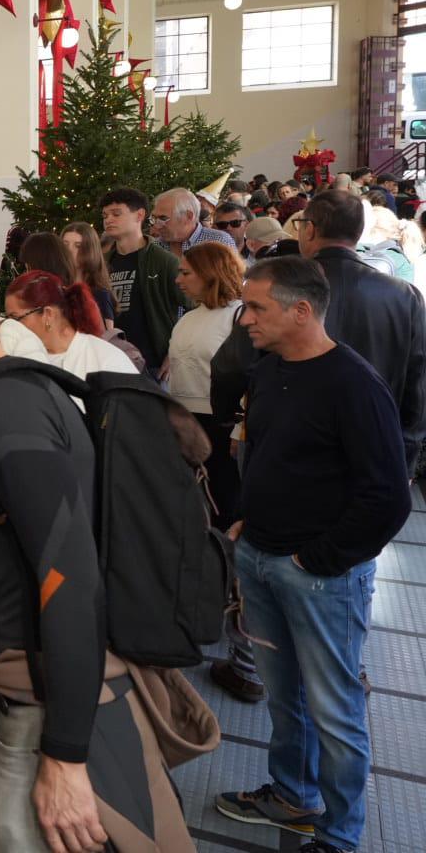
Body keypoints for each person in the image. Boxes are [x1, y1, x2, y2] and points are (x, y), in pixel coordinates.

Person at [0, 243, 191, 853]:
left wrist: (66, 756)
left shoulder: (5, 409)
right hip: (40, 693)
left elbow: (70, 578)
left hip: (47, 709)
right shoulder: (9, 395)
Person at [215, 258, 412, 853]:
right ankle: (292, 794)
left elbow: (388, 497)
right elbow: (266, 452)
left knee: (334, 710)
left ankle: (340, 835)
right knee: (284, 696)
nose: (244, 319)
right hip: (262, 557)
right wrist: (249, 521)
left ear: (301, 311)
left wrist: (319, 558)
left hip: (320, 578)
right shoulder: (269, 371)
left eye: (256, 308)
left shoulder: (354, 385)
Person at [297, 189, 426, 469]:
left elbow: (238, 364)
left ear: (310, 229)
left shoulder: (281, 288)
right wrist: (406, 455)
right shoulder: (404, 296)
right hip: (378, 445)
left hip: (297, 449)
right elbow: (417, 386)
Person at [166, 243, 244, 526]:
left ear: (211, 273)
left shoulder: (240, 315)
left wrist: (239, 428)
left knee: (222, 505)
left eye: (186, 273)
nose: (178, 280)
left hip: (221, 426)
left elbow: (248, 377)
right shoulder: (187, 319)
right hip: (184, 422)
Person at [100, 187, 185, 370]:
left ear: (139, 215)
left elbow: (193, 309)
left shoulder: (164, 261)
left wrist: (175, 351)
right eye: (105, 215)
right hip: (112, 361)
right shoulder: (102, 264)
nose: (108, 220)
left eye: (116, 214)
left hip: (153, 364)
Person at [3, 270, 137, 379]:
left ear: (48, 314)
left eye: (16, 318)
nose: (11, 326)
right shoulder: (20, 361)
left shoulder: (106, 360)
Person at [60, 222, 116, 327]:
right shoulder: (56, 288)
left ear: (90, 251)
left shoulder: (99, 294)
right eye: (65, 245)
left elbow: (107, 335)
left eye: (78, 246)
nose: (69, 250)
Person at [152, 187, 234, 255]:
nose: (156, 226)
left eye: (163, 218)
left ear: (188, 216)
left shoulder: (219, 242)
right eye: (154, 218)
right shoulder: (155, 246)